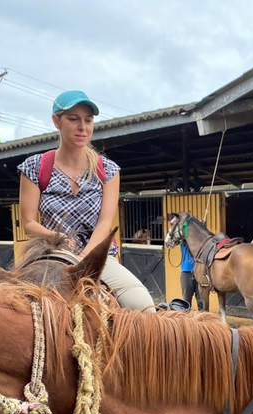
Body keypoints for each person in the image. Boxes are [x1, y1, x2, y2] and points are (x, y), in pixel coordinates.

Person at [18, 90, 155, 313]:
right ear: (56, 121)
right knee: (11, 312)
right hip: (51, 256)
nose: (83, 127)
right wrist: (56, 237)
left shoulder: (108, 170)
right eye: (74, 119)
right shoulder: (34, 167)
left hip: (97, 259)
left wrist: (83, 260)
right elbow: (28, 223)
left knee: (145, 308)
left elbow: (105, 223)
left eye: (88, 120)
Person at [180, 242, 203, 309]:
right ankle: (187, 318)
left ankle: (203, 318)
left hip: (199, 271)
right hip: (186, 272)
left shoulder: (199, 240)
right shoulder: (183, 241)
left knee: (201, 300)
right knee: (186, 300)